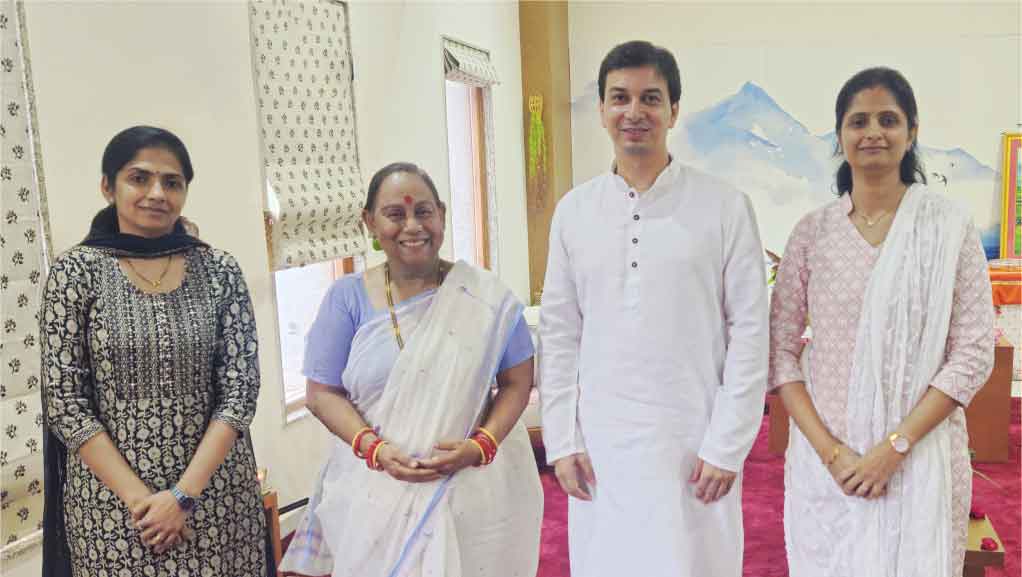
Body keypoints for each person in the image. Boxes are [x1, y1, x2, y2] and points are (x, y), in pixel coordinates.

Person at [539, 40, 768, 577]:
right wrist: (562, 439)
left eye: (650, 98)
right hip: (601, 441)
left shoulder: (724, 205)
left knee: (692, 561)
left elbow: (751, 332)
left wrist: (728, 444)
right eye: (619, 98)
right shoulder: (575, 212)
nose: (634, 112)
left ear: (674, 110)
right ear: (600, 109)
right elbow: (559, 332)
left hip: (691, 438)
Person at [769, 67, 994, 577]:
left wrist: (894, 448)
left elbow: (974, 351)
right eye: (858, 121)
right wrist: (832, 454)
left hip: (920, 457)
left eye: (888, 119)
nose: (873, 131)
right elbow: (781, 353)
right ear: (840, 135)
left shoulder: (947, 227)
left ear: (912, 132)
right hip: (830, 463)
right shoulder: (813, 233)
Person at [278, 162, 543, 577]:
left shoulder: (484, 298)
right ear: (369, 222)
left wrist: (481, 445)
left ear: (441, 214)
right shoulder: (347, 299)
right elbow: (321, 392)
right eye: (395, 214)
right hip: (373, 489)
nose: (412, 226)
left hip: (469, 488)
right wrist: (376, 450)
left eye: (423, 211)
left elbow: (516, 381)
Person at [40, 126, 267, 576]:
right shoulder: (75, 274)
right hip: (115, 510)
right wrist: (144, 503)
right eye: (139, 178)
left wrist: (183, 495)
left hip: (215, 495)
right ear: (109, 186)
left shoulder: (219, 270)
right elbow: (65, 402)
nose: (156, 193)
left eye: (172, 181)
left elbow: (240, 389)